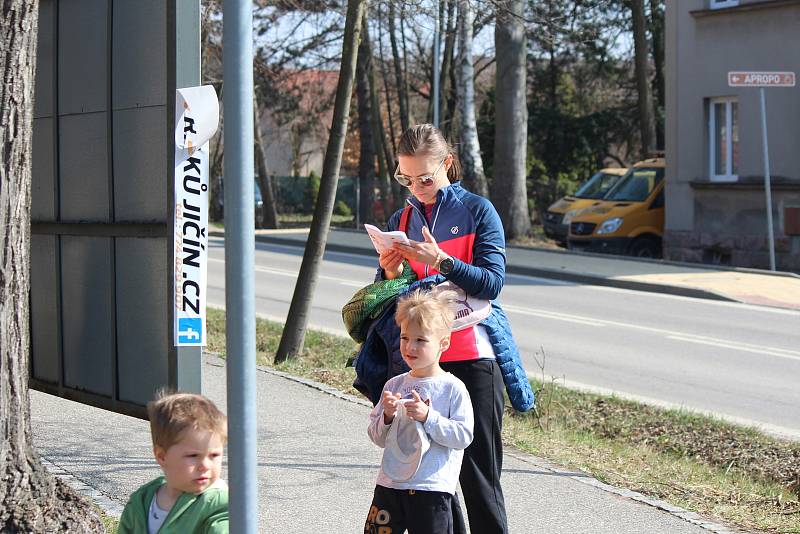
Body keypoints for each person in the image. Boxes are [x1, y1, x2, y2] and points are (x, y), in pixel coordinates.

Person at [376, 124, 534, 533]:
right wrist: (390, 270)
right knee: (432, 485)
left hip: (474, 358)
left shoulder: (478, 210)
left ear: (447, 164)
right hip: (421, 368)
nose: (418, 187)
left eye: (425, 178)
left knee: (478, 479)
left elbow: (492, 282)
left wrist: (442, 260)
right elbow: (391, 297)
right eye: (406, 179)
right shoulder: (402, 218)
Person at [365, 288, 474, 534]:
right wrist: (388, 416)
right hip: (390, 483)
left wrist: (429, 417)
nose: (409, 347)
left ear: (443, 343)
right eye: (404, 338)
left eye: (421, 340)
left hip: (431, 488)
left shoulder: (452, 388)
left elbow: (463, 436)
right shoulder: (394, 384)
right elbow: (377, 437)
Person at [118, 392, 229, 534]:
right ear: (162, 456)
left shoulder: (220, 504)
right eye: (193, 455)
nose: (205, 466)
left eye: (214, 455)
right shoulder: (142, 500)